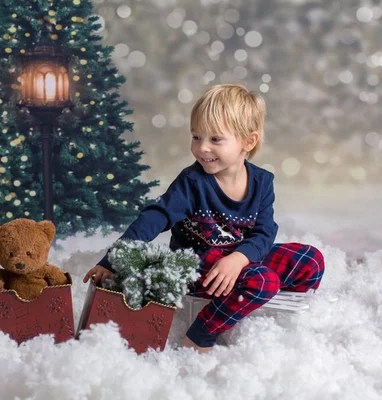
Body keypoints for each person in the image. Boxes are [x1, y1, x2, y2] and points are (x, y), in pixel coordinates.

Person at [83, 83, 325, 353]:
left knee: (311, 261)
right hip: (198, 264)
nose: (202, 148)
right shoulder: (192, 183)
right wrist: (112, 260)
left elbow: (264, 232)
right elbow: (153, 218)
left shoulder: (262, 182)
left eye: (215, 139)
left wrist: (238, 258)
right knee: (262, 280)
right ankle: (200, 334)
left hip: (237, 259)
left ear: (249, 141)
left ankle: (262, 315)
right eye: (196, 137)